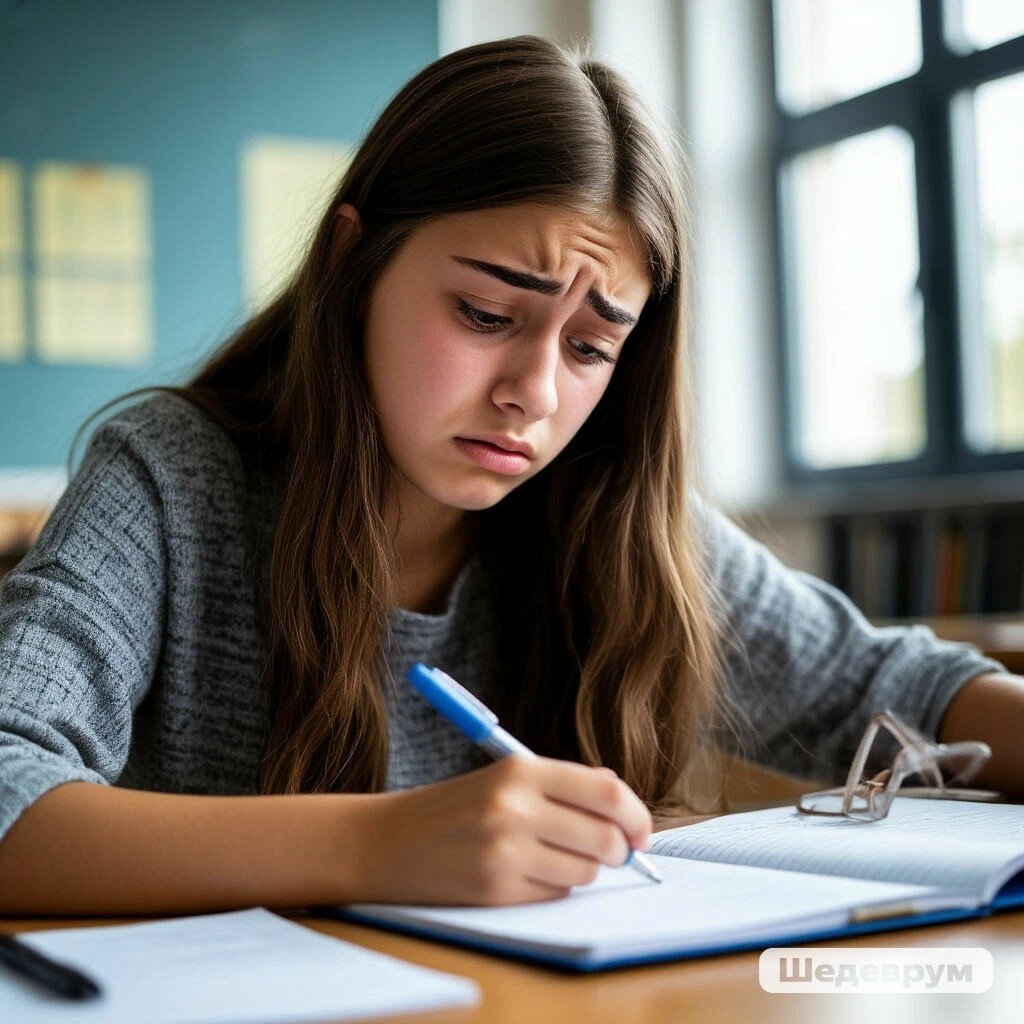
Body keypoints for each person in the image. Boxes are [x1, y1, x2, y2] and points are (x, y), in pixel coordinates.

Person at [0, 36, 1021, 916]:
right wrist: (376, 844)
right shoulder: (169, 479)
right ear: (353, 262)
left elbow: (888, 688)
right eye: (487, 316)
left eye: (589, 347)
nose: (532, 394)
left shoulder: (609, 510)